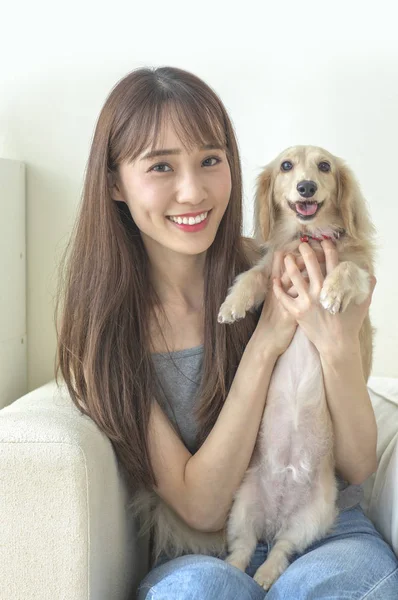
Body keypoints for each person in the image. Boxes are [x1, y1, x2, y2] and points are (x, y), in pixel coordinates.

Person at [55, 66, 398, 599]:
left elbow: (355, 465)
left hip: (326, 527)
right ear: (114, 183)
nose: (192, 191)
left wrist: (336, 347)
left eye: (210, 161)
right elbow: (203, 506)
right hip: (203, 546)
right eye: (161, 166)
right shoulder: (104, 337)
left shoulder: (278, 264)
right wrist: (266, 341)